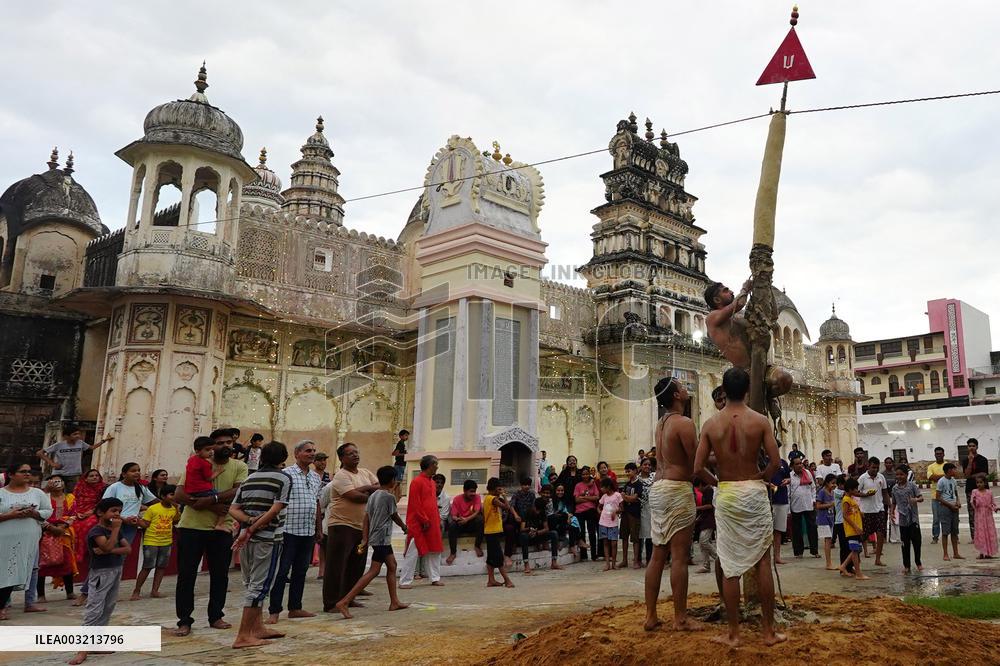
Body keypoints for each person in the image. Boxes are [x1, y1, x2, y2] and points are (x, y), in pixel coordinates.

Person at [693, 367, 785, 647]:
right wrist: (761, 478)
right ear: (746, 391)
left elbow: (698, 468)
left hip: (729, 492)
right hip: (753, 492)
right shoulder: (759, 421)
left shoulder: (710, 424)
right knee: (762, 563)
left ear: (724, 389)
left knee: (730, 564)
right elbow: (775, 462)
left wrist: (718, 483)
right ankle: (768, 632)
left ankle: (734, 633)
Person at [174, 429, 248, 636]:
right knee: (187, 575)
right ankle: (184, 620)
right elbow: (180, 493)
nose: (225, 446)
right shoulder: (197, 462)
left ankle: (216, 615)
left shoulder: (239, 466)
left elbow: (238, 491)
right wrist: (208, 505)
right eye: (220, 443)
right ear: (210, 446)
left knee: (219, 574)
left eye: (229, 442)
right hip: (191, 526)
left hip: (222, 527)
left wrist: (211, 500)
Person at [645, 376, 699, 633]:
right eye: (681, 385)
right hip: (676, 489)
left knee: (658, 555)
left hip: (658, 488)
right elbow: (695, 463)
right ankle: (680, 618)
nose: (686, 388)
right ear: (676, 396)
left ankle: (651, 616)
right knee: (678, 556)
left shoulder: (661, 423)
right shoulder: (684, 423)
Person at [228, 441, 291, 649]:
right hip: (268, 538)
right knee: (260, 586)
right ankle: (244, 635)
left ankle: (257, 627)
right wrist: (255, 527)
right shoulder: (283, 478)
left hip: (247, 536)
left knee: (252, 583)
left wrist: (248, 523)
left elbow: (234, 509)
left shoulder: (250, 478)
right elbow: (276, 509)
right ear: (283, 458)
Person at [704, 282, 793, 415]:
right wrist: (746, 287)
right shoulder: (712, 318)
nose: (731, 292)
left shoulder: (739, 316)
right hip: (743, 373)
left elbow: (769, 320)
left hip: (763, 365)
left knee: (785, 379)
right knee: (749, 414)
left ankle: (768, 397)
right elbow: (739, 303)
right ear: (717, 300)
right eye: (725, 290)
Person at [334, 465, 409, 618]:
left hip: (377, 537)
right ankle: (345, 601)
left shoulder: (373, 496)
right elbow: (394, 515)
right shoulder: (388, 497)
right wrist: (404, 527)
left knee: (392, 565)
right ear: (392, 481)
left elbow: (366, 517)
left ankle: (394, 601)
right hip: (382, 537)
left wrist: (366, 537)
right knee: (373, 571)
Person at [68, 497, 130, 665]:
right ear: (101, 512)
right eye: (113, 511)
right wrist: (114, 535)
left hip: (116, 570)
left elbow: (127, 548)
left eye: (119, 511)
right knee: (94, 610)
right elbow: (107, 547)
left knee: (107, 607)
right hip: (100, 574)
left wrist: (110, 549)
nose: (117, 514)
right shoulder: (97, 531)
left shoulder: (115, 529)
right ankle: (82, 650)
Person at [268, 440, 322, 624]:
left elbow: (317, 503)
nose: (312, 454)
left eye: (314, 451)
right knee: (282, 572)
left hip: (307, 531)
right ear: (296, 454)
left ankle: (295, 607)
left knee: (301, 571)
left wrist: (318, 528)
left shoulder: (315, 477)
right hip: (288, 530)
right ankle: (274, 611)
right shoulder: (286, 475)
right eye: (308, 451)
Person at [323, 443, 378, 611]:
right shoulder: (341, 476)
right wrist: (368, 489)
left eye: (356, 452)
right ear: (342, 458)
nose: (355, 455)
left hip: (362, 527)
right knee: (337, 565)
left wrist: (366, 489)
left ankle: (349, 598)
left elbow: (379, 491)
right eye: (350, 453)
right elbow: (354, 496)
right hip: (342, 525)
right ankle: (331, 602)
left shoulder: (366, 472)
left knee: (356, 565)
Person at [0, 464, 52, 621]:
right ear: (11, 474)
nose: (27, 474)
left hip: (27, 539)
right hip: (4, 538)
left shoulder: (37, 493)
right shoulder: (1, 493)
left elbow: (47, 511)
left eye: (28, 471)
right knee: (3, 571)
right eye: (23, 472)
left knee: (14, 571)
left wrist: (34, 513)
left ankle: (2, 606)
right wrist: (11, 515)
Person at [399, 455, 444, 588]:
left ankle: (435, 578)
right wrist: (423, 519)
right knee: (413, 551)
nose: (437, 466)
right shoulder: (417, 482)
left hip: (433, 521)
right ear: (430, 466)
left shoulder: (431, 482)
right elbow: (415, 504)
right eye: (435, 464)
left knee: (435, 550)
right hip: (418, 522)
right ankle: (405, 581)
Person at [131, 483, 179, 600]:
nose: (174, 497)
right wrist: (137, 521)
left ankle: (155, 590)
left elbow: (175, 521)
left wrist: (177, 509)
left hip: (166, 541)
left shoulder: (174, 509)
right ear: (162, 496)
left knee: (161, 567)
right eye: (171, 495)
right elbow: (146, 524)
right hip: (151, 541)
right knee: (147, 567)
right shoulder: (153, 508)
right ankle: (136, 591)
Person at [36, 424, 114, 493]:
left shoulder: (80, 443)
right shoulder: (59, 445)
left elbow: (92, 447)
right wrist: (52, 463)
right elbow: (40, 453)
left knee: (72, 495)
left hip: (74, 474)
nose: (78, 436)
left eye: (78, 434)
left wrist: (104, 440)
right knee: (57, 492)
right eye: (74, 434)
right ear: (66, 436)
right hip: (59, 474)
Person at [37, 475, 78, 602]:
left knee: (67, 561)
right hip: (45, 532)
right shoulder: (44, 498)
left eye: (59, 481)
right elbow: (39, 514)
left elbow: (73, 515)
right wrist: (50, 527)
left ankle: (70, 592)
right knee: (42, 564)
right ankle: (41, 595)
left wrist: (64, 525)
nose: (57, 483)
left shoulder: (70, 498)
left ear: (64, 483)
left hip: (64, 533)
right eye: (53, 481)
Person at [183, 437, 226, 530]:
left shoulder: (191, 459)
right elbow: (208, 478)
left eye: (212, 449)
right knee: (224, 504)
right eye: (207, 450)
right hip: (203, 489)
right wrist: (218, 472)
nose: (211, 452)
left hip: (190, 490)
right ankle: (220, 524)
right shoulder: (205, 464)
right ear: (198, 451)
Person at [857, 457, 889, 567]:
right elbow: (855, 492)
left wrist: (889, 505)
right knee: (863, 535)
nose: (875, 470)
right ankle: (855, 557)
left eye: (876, 467)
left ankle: (878, 559)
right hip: (866, 510)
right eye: (873, 467)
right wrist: (866, 495)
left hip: (879, 509)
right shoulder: (862, 478)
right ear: (868, 466)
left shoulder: (881, 477)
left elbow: (885, 492)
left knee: (880, 534)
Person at [483, 477, 514, 588]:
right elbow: (507, 507)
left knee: (491, 558)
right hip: (492, 531)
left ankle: (491, 580)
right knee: (498, 557)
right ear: (496, 489)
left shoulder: (488, 498)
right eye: (499, 489)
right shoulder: (492, 499)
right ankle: (507, 580)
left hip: (490, 531)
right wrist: (504, 496)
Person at [890, 467, 923, 573]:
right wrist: (891, 512)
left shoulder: (912, 485)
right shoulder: (895, 488)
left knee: (916, 542)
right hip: (903, 520)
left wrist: (915, 500)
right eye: (897, 475)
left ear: (906, 475)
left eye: (901, 474)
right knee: (905, 543)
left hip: (913, 519)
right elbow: (894, 502)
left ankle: (918, 562)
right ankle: (906, 565)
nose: (899, 477)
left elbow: (921, 497)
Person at [520, 497, 560, 575]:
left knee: (554, 533)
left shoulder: (542, 513)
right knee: (523, 536)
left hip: (538, 535)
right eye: (537, 510)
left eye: (540, 510)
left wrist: (537, 532)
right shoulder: (526, 512)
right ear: (534, 506)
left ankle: (554, 562)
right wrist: (530, 529)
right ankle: (526, 564)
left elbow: (546, 528)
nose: (538, 512)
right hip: (528, 535)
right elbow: (522, 528)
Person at [446, 480, 484, 564]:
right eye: (471, 491)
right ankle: (453, 553)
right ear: (464, 490)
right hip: (461, 523)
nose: (473, 494)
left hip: (471, 522)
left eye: (474, 491)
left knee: (480, 520)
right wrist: (458, 519)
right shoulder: (457, 499)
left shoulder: (477, 497)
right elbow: (454, 515)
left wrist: (466, 519)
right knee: (452, 526)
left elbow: (477, 512)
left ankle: (477, 546)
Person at [838, 478, 868, 580]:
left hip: (856, 527)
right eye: (855, 489)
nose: (857, 491)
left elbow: (853, 511)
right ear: (850, 489)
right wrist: (855, 527)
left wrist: (860, 513)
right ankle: (859, 573)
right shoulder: (846, 500)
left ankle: (844, 565)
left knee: (856, 549)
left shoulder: (851, 499)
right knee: (855, 550)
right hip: (852, 529)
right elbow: (845, 515)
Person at [789, 457, 818, 558]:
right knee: (797, 530)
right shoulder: (790, 476)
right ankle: (798, 552)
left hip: (808, 504)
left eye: (801, 463)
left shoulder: (808, 473)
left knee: (812, 528)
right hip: (795, 505)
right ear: (792, 466)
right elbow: (789, 492)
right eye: (797, 464)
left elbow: (813, 488)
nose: (800, 465)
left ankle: (815, 551)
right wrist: (789, 509)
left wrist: (813, 499)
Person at [962, 438, 989, 542]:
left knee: (984, 512)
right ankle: (975, 537)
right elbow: (966, 475)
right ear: (967, 447)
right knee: (972, 514)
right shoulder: (965, 460)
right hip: (970, 490)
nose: (971, 448)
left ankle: (985, 535)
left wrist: (971, 476)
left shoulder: (983, 459)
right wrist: (970, 462)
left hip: (983, 491)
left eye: (973, 446)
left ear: (977, 447)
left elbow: (984, 474)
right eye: (969, 446)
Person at [936, 463, 964, 561]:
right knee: (945, 532)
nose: (955, 471)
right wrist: (950, 505)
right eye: (954, 469)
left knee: (954, 531)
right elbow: (938, 497)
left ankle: (956, 553)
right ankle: (945, 554)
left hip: (954, 508)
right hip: (945, 508)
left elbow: (956, 493)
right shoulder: (941, 482)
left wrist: (958, 501)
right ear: (949, 470)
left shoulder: (953, 481)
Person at [573, 467, 601, 561]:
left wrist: (583, 498)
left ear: (589, 474)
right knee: (581, 533)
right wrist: (589, 497)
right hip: (579, 511)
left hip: (590, 510)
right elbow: (576, 500)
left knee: (592, 532)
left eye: (586, 474)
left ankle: (594, 555)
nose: (585, 476)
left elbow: (597, 497)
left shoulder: (593, 485)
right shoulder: (578, 485)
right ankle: (584, 555)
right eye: (583, 474)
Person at [620, 463, 643, 569]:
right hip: (625, 513)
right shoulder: (627, 484)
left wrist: (625, 497)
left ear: (635, 471)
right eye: (626, 471)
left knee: (635, 538)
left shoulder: (639, 484)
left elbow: (634, 498)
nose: (627, 473)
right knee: (624, 537)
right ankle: (624, 560)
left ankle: (636, 560)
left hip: (634, 513)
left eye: (629, 471)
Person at [769, 456, 792, 564]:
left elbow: (789, 477)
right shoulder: (762, 461)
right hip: (768, 500)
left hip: (782, 499)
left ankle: (777, 556)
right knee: (766, 531)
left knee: (778, 530)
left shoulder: (783, 462)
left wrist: (788, 480)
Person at [971, 474, 999, 559]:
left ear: (985, 483)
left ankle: (988, 553)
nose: (979, 484)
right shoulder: (974, 492)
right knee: (981, 534)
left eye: (981, 482)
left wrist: (996, 508)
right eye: (977, 483)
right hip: (979, 515)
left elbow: (992, 503)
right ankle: (981, 552)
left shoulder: (989, 492)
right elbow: (972, 503)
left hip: (988, 516)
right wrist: (975, 502)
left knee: (989, 533)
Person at [597, 477, 623, 571]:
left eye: (602, 487)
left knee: (614, 543)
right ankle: (607, 564)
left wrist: (615, 511)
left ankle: (614, 563)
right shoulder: (604, 497)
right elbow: (599, 507)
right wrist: (600, 512)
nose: (601, 489)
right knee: (605, 542)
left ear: (608, 487)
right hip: (603, 522)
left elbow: (621, 508)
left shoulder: (617, 495)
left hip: (613, 523)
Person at [693, 476, 716, 574]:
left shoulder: (709, 491)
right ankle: (706, 565)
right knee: (702, 544)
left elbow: (710, 505)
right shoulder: (705, 492)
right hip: (705, 519)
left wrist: (697, 508)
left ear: (701, 485)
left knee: (704, 541)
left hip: (709, 520)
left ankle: (718, 557)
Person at [926, 446, 947, 544]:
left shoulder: (948, 465)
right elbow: (931, 477)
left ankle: (953, 536)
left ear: (943, 454)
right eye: (937, 454)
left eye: (940, 453)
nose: (939, 455)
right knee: (936, 518)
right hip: (935, 497)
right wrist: (944, 476)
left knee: (949, 517)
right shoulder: (931, 466)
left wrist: (937, 477)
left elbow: (951, 475)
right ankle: (935, 537)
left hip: (947, 497)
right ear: (934, 455)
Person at [816, 474, 836, 570]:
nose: (834, 485)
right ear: (827, 483)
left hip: (830, 518)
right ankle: (828, 563)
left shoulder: (832, 492)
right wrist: (829, 504)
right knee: (827, 540)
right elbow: (818, 506)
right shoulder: (822, 492)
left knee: (829, 540)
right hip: (823, 519)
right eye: (832, 483)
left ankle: (829, 562)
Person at [637, 457, 655, 564]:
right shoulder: (637, 479)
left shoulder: (654, 477)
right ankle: (638, 558)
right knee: (640, 534)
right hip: (640, 509)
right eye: (645, 464)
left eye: (649, 465)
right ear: (641, 466)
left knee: (650, 534)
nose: (647, 466)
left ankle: (650, 559)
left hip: (652, 509)